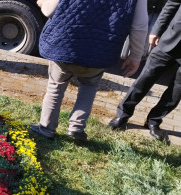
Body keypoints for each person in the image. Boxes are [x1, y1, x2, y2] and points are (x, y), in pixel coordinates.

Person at [30, 0, 148, 141]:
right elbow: (139, 26)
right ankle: (76, 128)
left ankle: (46, 128)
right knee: (89, 86)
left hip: (65, 42)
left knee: (56, 85)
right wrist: (135, 56)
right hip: (101, 49)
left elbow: (49, 11)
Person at [109, 0, 181, 145]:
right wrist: (156, 30)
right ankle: (123, 114)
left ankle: (154, 121)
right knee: (145, 78)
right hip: (170, 40)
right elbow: (172, 5)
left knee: (177, 91)